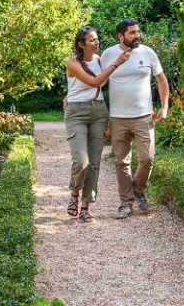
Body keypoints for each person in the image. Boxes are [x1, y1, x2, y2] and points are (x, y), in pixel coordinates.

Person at [101, 18, 169, 219]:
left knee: (147, 158)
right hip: (118, 117)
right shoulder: (108, 54)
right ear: (120, 36)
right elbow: (98, 80)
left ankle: (138, 189)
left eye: (137, 31)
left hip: (143, 116)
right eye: (132, 33)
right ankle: (126, 203)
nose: (137, 35)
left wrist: (164, 107)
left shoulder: (148, 53)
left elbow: (162, 80)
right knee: (121, 162)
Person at [64, 26, 131, 223]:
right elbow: (95, 82)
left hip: (99, 111)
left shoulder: (100, 59)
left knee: (93, 163)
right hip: (76, 113)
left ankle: (85, 207)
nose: (96, 42)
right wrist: (116, 64)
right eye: (92, 40)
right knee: (80, 162)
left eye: (97, 39)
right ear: (81, 44)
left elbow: (105, 82)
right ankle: (74, 193)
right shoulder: (73, 63)